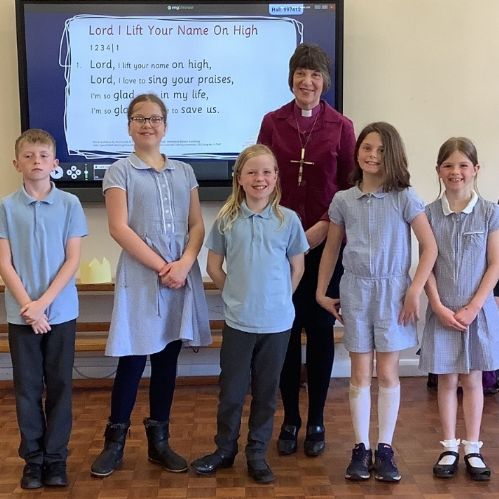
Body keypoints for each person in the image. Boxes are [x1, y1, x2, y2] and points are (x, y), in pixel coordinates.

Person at [90, 94, 211, 478]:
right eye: (140, 118)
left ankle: (159, 442)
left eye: (155, 118)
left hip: (180, 275)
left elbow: (197, 224)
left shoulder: (184, 171)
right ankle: (114, 443)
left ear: (165, 125)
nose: (148, 124)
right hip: (143, 277)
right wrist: (163, 267)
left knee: (166, 359)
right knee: (132, 359)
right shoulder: (118, 171)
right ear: (129, 125)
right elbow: (118, 228)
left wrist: (185, 263)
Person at [316, 122, 437, 482]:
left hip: (392, 293)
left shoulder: (405, 197)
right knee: (359, 372)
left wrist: (414, 290)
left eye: (382, 150)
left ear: (393, 155)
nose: (373, 155)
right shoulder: (343, 200)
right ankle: (360, 447)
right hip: (355, 291)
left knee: (386, 372)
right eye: (367, 147)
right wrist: (321, 291)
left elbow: (429, 247)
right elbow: (331, 248)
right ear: (357, 151)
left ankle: (384, 448)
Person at [257, 43, 356, 457]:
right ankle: (290, 418)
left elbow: (350, 188)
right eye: (301, 73)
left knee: (317, 332)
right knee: (284, 332)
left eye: (315, 74)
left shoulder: (342, 126)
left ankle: (315, 419)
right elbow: (259, 176)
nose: (308, 81)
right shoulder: (273, 121)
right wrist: (283, 232)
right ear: (291, 77)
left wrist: (323, 228)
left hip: (324, 245)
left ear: (324, 81)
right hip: (278, 245)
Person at [190, 144, 309, 483]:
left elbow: (297, 267)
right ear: (239, 178)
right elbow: (214, 266)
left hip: (277, 324)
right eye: (252, 172)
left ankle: (256, 453)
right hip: (239, 323)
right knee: (231, 391)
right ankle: (225, 449)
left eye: (267, 172)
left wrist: (280, 298)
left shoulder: (288, 220)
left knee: (266, 393)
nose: (260, 178)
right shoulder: (227, 219)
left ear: (276, 177)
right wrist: (234, 295)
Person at [0, 129, 87, 489]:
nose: (36, 161)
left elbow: (72, 260)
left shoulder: (70, 204)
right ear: (16, 163)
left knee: (60, 386)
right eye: (29, 156)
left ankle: (55, 459)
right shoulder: (6, 207)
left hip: (60, 313)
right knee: (27, 388)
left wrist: (43, 304)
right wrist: (28, 307)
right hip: (22, 316)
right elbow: (4, 263)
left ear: (55, 163)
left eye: (43, 156)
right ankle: (33, 460)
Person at [419, 137, 499, 481]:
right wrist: (437, 306)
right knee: (447, 379)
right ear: (438, 170)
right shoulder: (427, 214)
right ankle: (450, 445)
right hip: (443, 312)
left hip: (476, 313)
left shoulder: (490, 212)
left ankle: (473, 448)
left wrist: (474, 307)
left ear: (475, 169)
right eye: (448, 165)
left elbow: (495, 264)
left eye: (463, 165)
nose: (456, 171)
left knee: (473, 379)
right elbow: (426, 265)